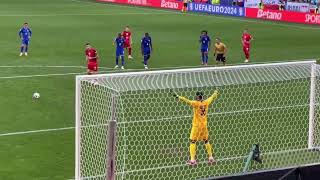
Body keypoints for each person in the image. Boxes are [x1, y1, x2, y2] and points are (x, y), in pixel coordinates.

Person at [171, 90, 219, 166]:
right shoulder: (206, 102)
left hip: (196, 126)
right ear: (202, 97)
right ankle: (211, 158)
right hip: (204, 126)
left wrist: (178, 97)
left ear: (197, 97)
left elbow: (186, 101)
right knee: (206, 141)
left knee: (192, 141)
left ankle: (192, 160)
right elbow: (212, 97)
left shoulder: (195, 103)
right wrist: (215, 93)